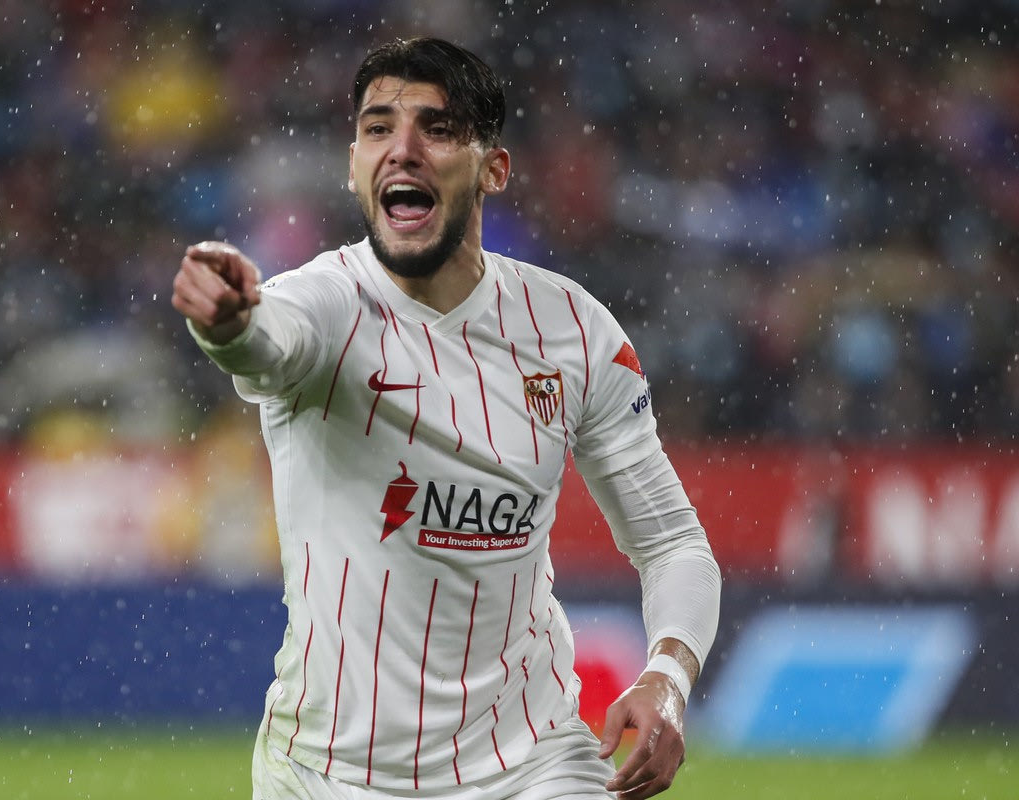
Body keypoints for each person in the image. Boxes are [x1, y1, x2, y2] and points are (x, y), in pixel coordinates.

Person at [171, 36, 721, 800]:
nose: (402, 149)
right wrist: (227, 320)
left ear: (493, 168)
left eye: (436, 128)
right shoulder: (323, 304)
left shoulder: (574, 331)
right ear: (354, 165)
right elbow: (265, 342)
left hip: (532, 762)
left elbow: (672, 542)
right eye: (378, 128)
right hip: (330, 775)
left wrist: (667, 676)